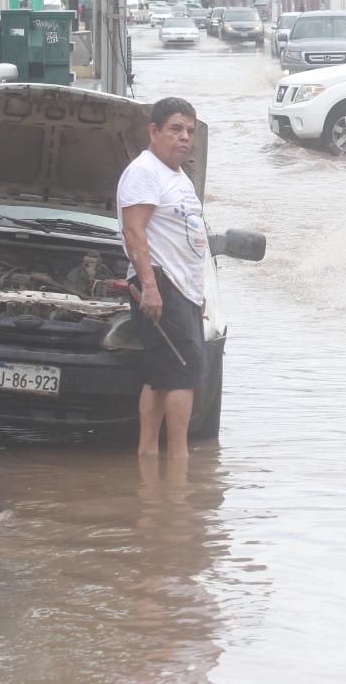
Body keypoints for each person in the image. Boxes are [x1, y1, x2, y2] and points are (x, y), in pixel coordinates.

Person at [118, 97, 209, 457]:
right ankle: (179, 463)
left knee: (160, 376)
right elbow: (134, 231)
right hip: (161, 283)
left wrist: (197, 297)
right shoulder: (145, 171)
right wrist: (151, 288)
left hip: (181, 290)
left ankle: (149, 461)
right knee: (183, 374)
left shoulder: (177, 174)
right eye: (175, 129)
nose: (184, 137)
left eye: (189, 130)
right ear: (153, 131)